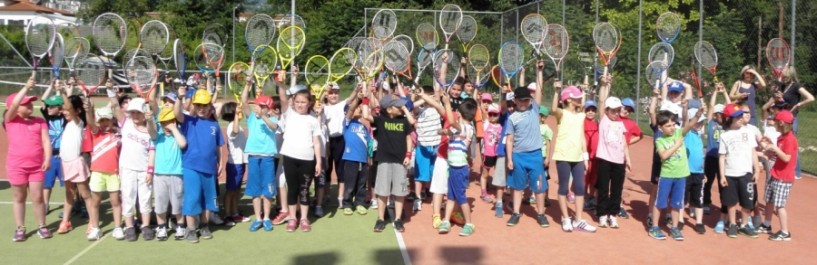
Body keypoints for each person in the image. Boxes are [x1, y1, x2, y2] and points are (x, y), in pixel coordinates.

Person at [174, 86, 226, 243]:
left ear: (210, 106)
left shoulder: (214, 125)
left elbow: (218, 147)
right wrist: (179, 97)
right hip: (192, 167)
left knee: (208, 199)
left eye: (205, 105)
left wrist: (221, 162)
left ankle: (204, 225)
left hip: (209, 168)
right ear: (193, 106)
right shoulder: (189, 120)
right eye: (198, 105)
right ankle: (190, 229)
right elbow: (176, 113)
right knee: (192, 197)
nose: (202, 109)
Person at [5, 76, 52, 242]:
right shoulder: (10, 120)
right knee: (19, 197)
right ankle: (20, 228)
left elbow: (46, 141)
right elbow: (13, 105)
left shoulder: (40, 121)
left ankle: (42, 225)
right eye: (26, 104)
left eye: (31, 102)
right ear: (16, 108)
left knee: (37, 197)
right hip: (16, 166)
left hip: (36, 166)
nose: (30, 105)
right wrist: (25, 88)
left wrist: (48, 158)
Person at [649, 104, 703, 241]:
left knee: (676, 204)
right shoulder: (660, 140)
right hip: (666, 176)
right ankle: (654, 227)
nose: (672, 128)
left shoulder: (679, 133)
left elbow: (690, 125)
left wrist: (697, 115)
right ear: (660, 128)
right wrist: (677, 145)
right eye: (668, 126)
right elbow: (663, 156)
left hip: (681, 176)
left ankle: (674, 227)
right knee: (660, 202)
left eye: (673, 124)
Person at [505, 60, 548, 228]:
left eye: (526, 100)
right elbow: (509, 139)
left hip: (535, 155)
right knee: (517, 187)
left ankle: (541, 214)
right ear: (515, 101)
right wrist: (510, 158)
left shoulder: (534, 109)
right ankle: (516, 213)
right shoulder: (512, 118)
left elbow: (539, 90)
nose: (524, 103)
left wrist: (539, 72)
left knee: (538, 186)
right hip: (518, 156)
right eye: (521, 100)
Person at [551, 82, 595, 232]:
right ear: (569, 99)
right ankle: (565, 218)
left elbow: (582, 136)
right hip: (563, 156)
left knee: (580, 188)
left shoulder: (581, 116)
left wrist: (585, 156)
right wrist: (557, 91)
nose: (580, 100)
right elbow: (552, 109)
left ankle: (578, 219)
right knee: (564, 187)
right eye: (577, 97)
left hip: (577, 157)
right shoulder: (562, 113)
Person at [279, 88, 323, 232]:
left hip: (307, 160)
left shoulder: (313, 120)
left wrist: (318, 162)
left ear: (309, 103)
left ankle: (304, 218)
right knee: (292, 189)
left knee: (304, 190)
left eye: (303, 102)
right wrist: (280, 84)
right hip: (290, 157)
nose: (299, 104)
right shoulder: (289, 114)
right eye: (297, 101)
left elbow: (316, 142)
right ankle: (292, 218)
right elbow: (283, 98)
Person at [240, 77, 280, 232]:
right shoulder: (251, 119)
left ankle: (267, 218)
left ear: (268, 109)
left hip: (268, 158)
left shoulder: (271, 118)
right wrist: (247, 85)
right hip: (253, 157)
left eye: (262, 107)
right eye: (258, 106)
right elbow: (244, 102)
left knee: (268, 190)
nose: (258, 109)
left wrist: (263, 116)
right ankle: (258, 218)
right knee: (255, 190)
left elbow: (273, 127)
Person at [718, 103, 762, 239]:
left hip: (746, 173)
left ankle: (743, 225)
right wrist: (722, 175)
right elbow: (722, 157)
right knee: (731, 201)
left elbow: (753, 152)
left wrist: (757, 170)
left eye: (741, 116)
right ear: (729, 119)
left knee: (747, 202)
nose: (741, 118)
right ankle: (732, 224)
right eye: (737, 117)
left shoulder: (748, 132)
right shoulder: (725, 136)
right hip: (730, 173)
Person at [593, 75, 631, 229]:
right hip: (604, 160)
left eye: (618, 110)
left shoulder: (621, 124)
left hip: (619, 161)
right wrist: (604, 85)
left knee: (617, 190)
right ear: (607, 111)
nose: (616, 113)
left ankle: (613, 215)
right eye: (613, 110)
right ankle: (602, 214)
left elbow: (624, 144)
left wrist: (628, 159)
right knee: (603, 188)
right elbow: (601, 101)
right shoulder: (603, 120)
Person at [372, 94, 414, 233]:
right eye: (398, 106)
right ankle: (380, 219)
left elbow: (409, 136)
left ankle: (397, 219)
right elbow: (366, 115)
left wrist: (408, 154)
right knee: (382, 191)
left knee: (399, 192)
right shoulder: (380, 120)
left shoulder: (404, 121)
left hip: (401, 160)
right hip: (384, 159)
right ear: (389, 109)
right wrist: (364, 98)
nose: (401, 107)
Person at [437, 94, 477, 236]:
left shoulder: (467, 128)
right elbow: (448, 131)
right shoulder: (458, 130)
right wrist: (442, 131)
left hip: (460, 168)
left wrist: (447, 103)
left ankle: (469, 223)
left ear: (459, 113)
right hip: (452, 167)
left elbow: (453, 123)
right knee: (451, 196)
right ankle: (446, 221)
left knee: (460, 197)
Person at [84, 100, 123, 241]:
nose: (105, 123)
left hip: (114, 172)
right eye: (102, 121)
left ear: (112, 120)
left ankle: (118, 227)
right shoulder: (96, 132)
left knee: (115, 201)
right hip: (97, 172)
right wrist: (88, 111)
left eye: (107, 120)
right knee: (95, 202)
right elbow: (90, 122)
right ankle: (95, 228)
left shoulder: (119, 135)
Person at [759, 110, 797, 241]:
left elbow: (786, 158)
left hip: (784, 177)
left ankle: (785, 232)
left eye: (775, 121)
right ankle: (767, 224)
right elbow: (778, 155)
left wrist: (775, 149)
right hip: (775, 173)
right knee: (769, 200)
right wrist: (771, 146)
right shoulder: (781, 137)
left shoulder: (790, 139)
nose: (773, 123)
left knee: (779, 205)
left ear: (781, 123)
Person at [774, 66, 814, 179]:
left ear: (790, 74)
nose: (782, 73)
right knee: (783, 144)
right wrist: (779, 97)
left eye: (785, 72)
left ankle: (796, 172)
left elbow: (811, 98)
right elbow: (779, 101)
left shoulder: (796, 86)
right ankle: (786, 170)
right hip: (782, 118)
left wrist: (798, 105)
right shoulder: (783, 86)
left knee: (791, 144)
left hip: (792, 119)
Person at [340, 86, 372, 215]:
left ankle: (360, 202)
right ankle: (347, 203)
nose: (357, 110)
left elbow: (369, 143)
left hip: (363, 159)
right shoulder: (347, 123)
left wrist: (369, 157)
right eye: (355, 109)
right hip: (350, 158)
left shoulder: (364, 126)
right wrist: (358, 100)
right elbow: (351, 108)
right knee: (350, 183)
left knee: (362, 183)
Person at [324, 82, 353, 207]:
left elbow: (351, 98)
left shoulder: (342, 105)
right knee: (326, 169)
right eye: (331, 93)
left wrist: (357, 90)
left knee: (340, 169)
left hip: (340, 140)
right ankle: (326, 195)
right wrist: (324, 91)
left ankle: (340, 198)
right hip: (326, 141)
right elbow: (317, 100)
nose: (334, 95)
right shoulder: (323, 107)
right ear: (326, 95)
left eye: (336, 93)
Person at [39, 81, 66, 214]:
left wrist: (61, 91)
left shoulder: (65, 119)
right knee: (47, 183)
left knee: (68, 183)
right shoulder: (48, 119)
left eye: (52, 106)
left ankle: (71, 206)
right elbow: (43, 101)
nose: (48, 108)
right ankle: (45, 204)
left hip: (64, 156)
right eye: (48, 107)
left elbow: (67, 105)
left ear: (60, 108)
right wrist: (50, 87)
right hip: (50, 156)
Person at [220, 102, 248, 227]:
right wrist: (237, 115)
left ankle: (235, 213)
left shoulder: (237, 125)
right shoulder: (232, 126)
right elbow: (235, 131)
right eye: (237, 109)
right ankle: (227, 215)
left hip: (240, 162)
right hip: (234, 164)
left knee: (236, 190)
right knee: (231, 191)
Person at [683, 106, 708, 235]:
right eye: (697, 122)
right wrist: (685, 108)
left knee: (698, 199)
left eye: (701, 122)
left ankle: (699, 222)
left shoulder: (699, 136)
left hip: (699, 173)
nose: (699, 124)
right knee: (682, 197)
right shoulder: (687, 133)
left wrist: (703, 172)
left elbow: (700, 156)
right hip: (686, 172)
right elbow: (685, 122)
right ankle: (680, 220)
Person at [480, 101, 503, 203]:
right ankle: (483, 192)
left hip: (497, 154)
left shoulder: (502, 126)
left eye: (495, 114)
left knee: (498, 174)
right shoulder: (486, 124)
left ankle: (499, 194)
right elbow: (481, 108)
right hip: (488, 154)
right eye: (490, 114)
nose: (492, 116)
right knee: (485, 174)